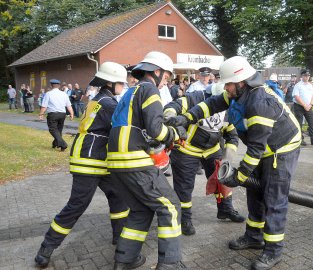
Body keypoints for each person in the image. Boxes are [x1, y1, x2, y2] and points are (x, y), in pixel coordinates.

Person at [168, 56, 301, 270]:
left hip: (281, 150)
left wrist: (238, 177)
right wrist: (187, 118)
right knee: (254, 193)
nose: (226, 88)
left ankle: (273, 251)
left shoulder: (259, 103)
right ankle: (254, 236)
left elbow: (256, 149)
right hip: (263, 149)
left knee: (274, 198)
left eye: (228, 83)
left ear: (240, 82)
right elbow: (211, 104)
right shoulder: (239, 94)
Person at [34, 62, 130, 268]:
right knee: (78, 204)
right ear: (111, 83)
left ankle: (120, 238)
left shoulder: (99, 99)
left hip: (98, 158)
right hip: (89, 160)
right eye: (121, 83)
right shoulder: (109, 104)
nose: (123, 86)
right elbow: (124, 128)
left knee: (119, 197)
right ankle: (47, 246)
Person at [107, 51, 188, 270]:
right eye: (167, 76)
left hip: (116, 163)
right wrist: (176, 133)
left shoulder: (131, 91)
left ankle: (125, 260)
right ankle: (170, 264)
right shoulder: (149, 89)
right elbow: (156, 128)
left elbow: (138, 127)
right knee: (170, 207)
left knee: (141, 210)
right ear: (156, 71)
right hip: (134, 160)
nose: (167, 82)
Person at [164, 82, 244, 236]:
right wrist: (174, 123)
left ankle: (226, 209)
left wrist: (226, 161)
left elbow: (232, 136)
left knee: (224, 180)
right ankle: (185, 219)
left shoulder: (229, 109)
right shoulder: (194, 98)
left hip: (212, 149)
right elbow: (170, 107)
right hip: (186, 149)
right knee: (184, 186)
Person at [39, 79, 74, 151]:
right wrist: (71, 113)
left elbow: (44, 105)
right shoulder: (64, 94)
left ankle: (63, 145)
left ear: (51, 85)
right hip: (62, 114)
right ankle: (55, 143)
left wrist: (41, 114)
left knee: (53, 129)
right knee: (58, 130)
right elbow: (69, 105)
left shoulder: (48, 93)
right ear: (59, 86)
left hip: (53, 114)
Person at [292, 69, 313, 146]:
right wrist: (304, 105)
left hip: (308, 106)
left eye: (308, 76)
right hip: (299, 106)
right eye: (305, 76)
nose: (307, 77)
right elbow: (296, 96)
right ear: (302, 76)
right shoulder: (298, 85)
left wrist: (310, 105)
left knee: (312, 123)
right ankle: (300, 140)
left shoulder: (310, 85)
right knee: (299, 123)